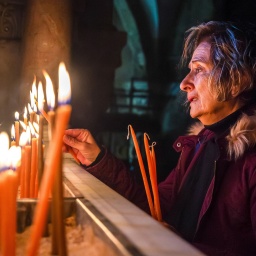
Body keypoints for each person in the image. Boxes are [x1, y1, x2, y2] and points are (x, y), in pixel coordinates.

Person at [63, 21, 256, 256]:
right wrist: (97, 160)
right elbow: (155, 207)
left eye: (199, 69)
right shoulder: (198, 146)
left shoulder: (250, 162)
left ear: (235, 81)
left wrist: (179, 248)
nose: (185, 84)